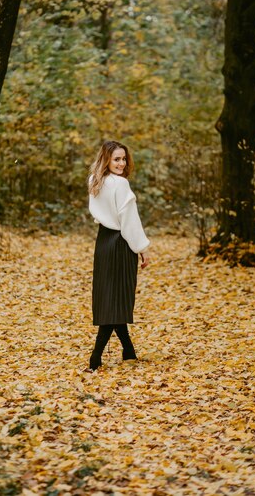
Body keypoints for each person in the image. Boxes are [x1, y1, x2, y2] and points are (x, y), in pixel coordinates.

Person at [87, 140, 150, 371]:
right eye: (116, 159)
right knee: (116, 301)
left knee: (112, 299)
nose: (122, 163)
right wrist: (142, 248)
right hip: (120, 243)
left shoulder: (95, 181)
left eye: (124, 159)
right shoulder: (121, 184)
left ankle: (129, 350)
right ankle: (95, 356)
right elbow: (130, 221)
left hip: (103, 243)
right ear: (107, 159)